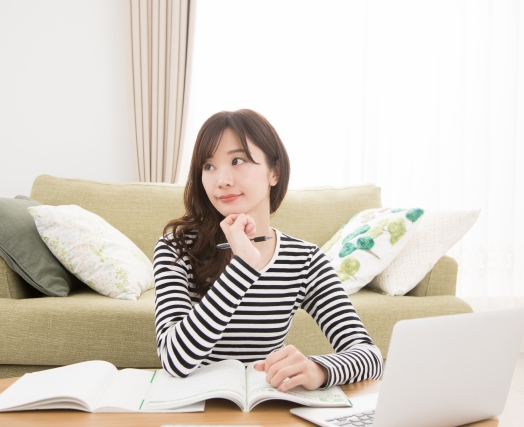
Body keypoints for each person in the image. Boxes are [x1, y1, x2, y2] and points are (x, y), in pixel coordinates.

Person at [153, 109, 382, 392]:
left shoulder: (304, 260)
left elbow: (369, 356)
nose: (221, 180)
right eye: (208, 166)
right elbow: (174, 359)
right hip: (195, 405)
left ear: (275, 172)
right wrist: (243, 266)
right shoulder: (176, 248)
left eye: (237, 161)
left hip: (267, 405)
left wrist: (318, 369)